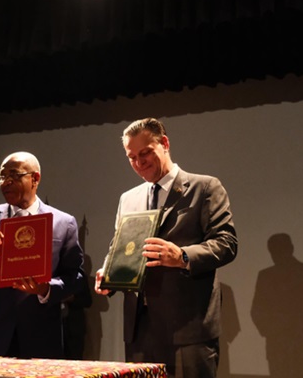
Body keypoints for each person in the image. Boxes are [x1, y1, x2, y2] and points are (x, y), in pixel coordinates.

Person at [94, 117, 238, 378]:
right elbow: (120, 246)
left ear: (165, 143)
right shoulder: (128, 198)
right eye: (131, 157)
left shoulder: (204, 187)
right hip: (139, 330)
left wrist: (182, 256)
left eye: (145, 153)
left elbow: (226, 243)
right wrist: (109, 273)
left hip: (188, 329)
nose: (139, 162)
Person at [0, 151, 84, 358]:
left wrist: (46, 288)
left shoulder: (63, 223)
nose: (6, 182)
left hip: (40, 336)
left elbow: (76, 277)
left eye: (14, 175)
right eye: (2, 176)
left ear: (35, 178)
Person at [250, 233, 303, 378]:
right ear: (291, 248)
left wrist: (275, 331)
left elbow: (257, 312)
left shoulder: (266, 276)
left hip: (281, 348)